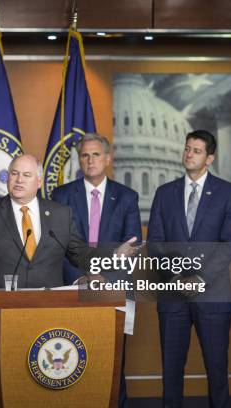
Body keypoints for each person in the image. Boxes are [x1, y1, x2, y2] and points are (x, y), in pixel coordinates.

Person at [147, 130, 231, 408]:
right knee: (172, 371)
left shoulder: (227, 193)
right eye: (187, 148)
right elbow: (155, 242)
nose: (189, 154)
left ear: (209, 158)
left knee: (216, 370)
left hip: (213, 297)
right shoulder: (164, 194)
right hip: (173, 296)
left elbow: (228, 244)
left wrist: (198, 279)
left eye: (196, 150)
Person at [52, 133, 142, 408]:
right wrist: (82, 277)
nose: (90, 160)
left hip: (112, 287)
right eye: (85, 155)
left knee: (113, 358)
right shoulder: (62, 195)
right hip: (74, 284)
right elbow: (57, 243)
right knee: (74, 353)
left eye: (95, 154)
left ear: (108, 158)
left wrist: (103, 275)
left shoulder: (127, 197)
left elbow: (131, 245)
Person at [0, 154, 95, 295]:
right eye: (14, 174)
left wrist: (105, 263)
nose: (19, 180)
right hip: (1, 305)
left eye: (27, 175)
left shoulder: (61, 214)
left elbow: (79, 253)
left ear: (39, 181)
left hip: (49, 306)